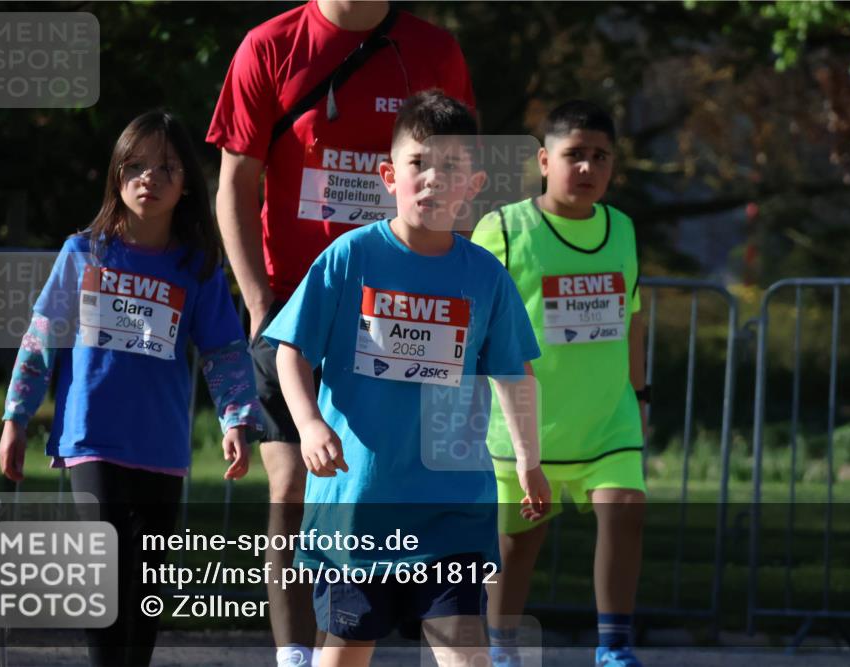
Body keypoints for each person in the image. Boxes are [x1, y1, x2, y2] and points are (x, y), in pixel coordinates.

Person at [205, 3, 474, 662]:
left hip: (401, 313)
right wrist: (259, 301)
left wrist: (452, 287)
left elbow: (458, 177)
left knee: (382, 484)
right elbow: (235, 186)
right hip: (294, 310)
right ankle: (295, 654)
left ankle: (344, 647)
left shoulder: (434, 51)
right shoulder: (270, 46)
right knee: (292, 487)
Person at [260, 90, 550, 667]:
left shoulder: (486, 276)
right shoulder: (350, 257)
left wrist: (528, 459)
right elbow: (290, 352)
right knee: (347, 651)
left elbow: (515, 374)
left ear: (473, 186)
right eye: (419, 163)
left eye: (451, 167)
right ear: (390, 176)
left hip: (452, 510)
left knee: (466, 649)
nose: (434, 179)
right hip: (358, 509)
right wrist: (310, 424)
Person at [0, 110, 261, 667]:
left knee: (145, 587)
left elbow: (224, 350)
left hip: (161, 447)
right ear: (117, 173)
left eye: (167, 167)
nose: (150, 178)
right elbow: (40, 340)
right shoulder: (82, 253)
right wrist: (16, 418)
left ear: (186, 183)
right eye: (137, 165)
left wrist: (237, 418)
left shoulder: (198, 267)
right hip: (90, 438)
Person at [471, 100, 649, 667]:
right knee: (517, 545)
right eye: (575, 154)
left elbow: (634, 318)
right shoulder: (503, 228)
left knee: (625, 513)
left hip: (608, 419)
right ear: (545, 161)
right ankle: (501, 650)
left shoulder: (622, 228)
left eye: (601, 156)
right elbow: (474, 318)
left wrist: (641, 395)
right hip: (526, 426)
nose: (588, 167)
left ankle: (614, 648)